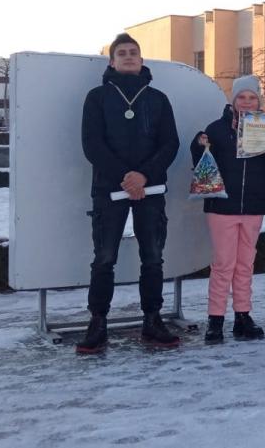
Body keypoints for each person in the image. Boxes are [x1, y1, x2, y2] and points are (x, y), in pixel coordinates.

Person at [77, 33, 181, 354]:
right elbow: (92, 145)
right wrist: (126, 177)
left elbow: (170, 144)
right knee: (104, 258)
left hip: (152, 189)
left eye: (133, 52)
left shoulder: (158, 99)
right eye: (121, 53)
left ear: (141, 59)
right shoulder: (97, 97)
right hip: (109, 190)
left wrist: (143, 176)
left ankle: (152, 320)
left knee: (152, 257)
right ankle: (97, 322)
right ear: (112, 61)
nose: (128, 56)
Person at [192, 75, 265, 345]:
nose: (246, 102)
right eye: (241, 97)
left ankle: (243, 316)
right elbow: (202, 164)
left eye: (252, 97)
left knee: (245, 264)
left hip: (253, 206)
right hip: (222, 206)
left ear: (259, 101)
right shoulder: (216, 129)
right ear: (233, 100)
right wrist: (198, 144)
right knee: (223, 265)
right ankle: (215, 319)